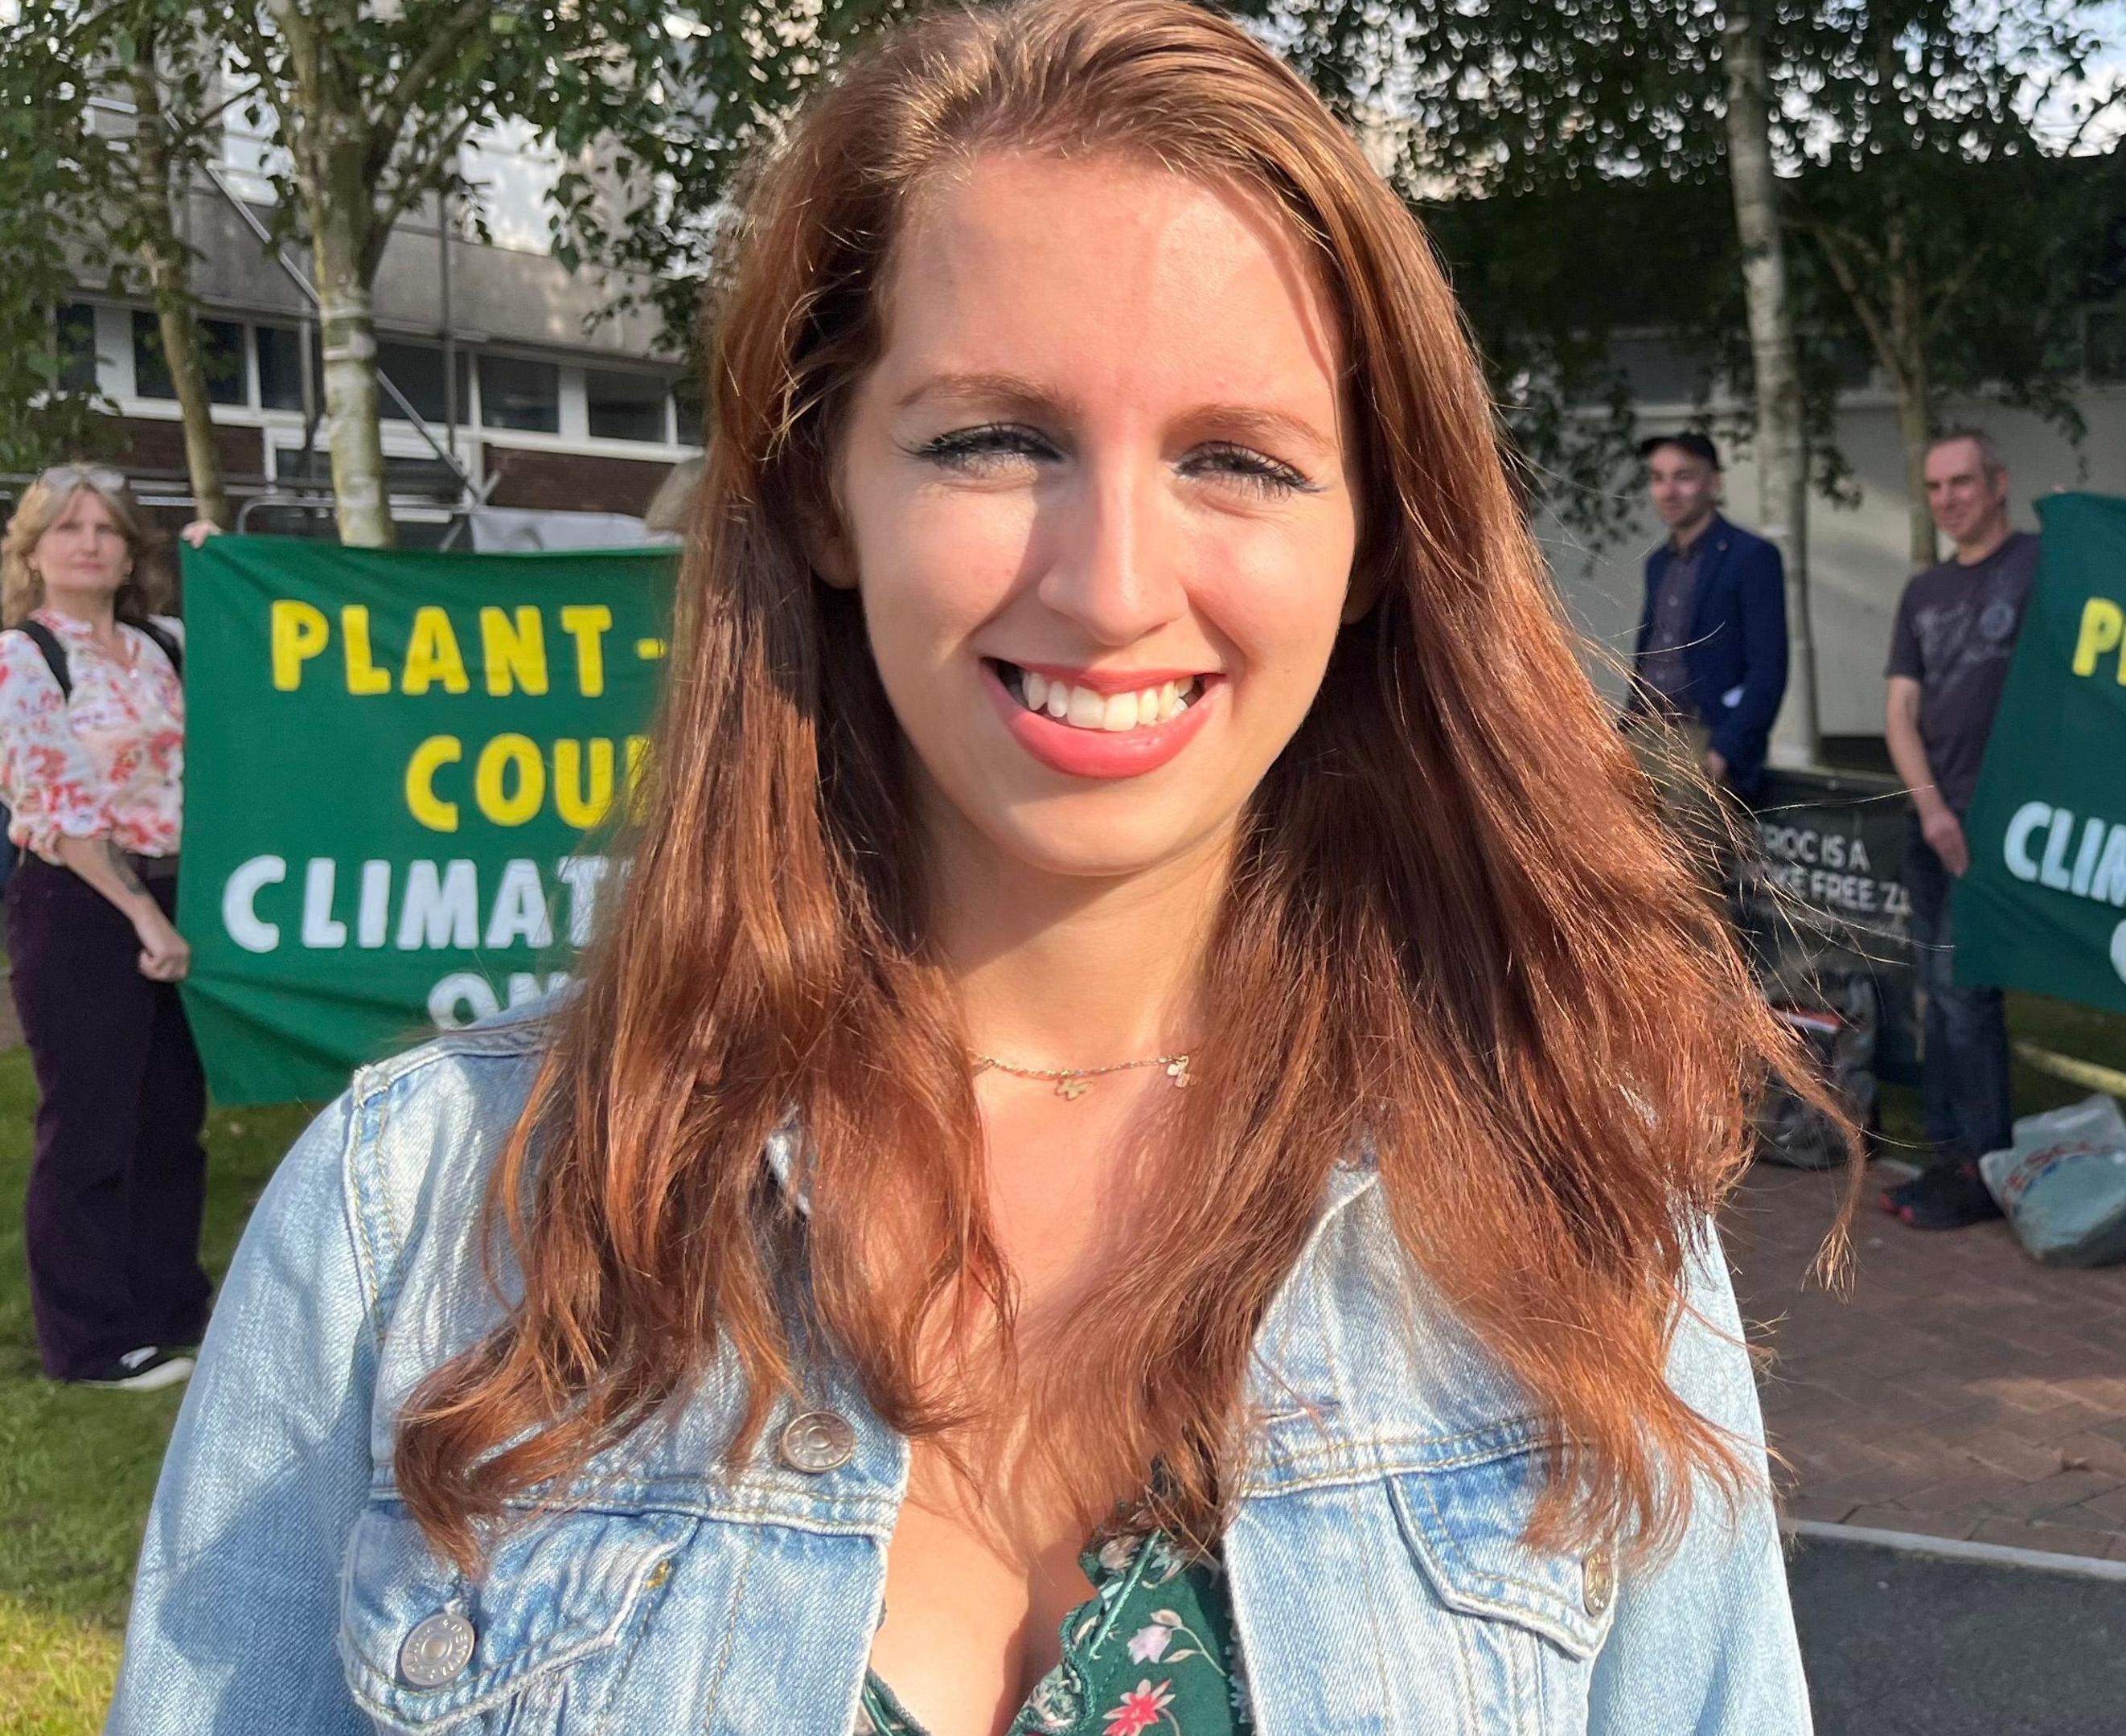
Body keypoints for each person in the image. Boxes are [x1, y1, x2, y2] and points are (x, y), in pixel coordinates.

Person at [107, 5, 1837, 1733]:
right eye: (993, 438)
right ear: (817, 493)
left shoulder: (1573, 1226)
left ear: (1376, 540)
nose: (1109, 584)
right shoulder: (409, 1218)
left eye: (1238, 457)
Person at [1, 465, 209, 1392]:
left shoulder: (163, 643)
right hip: (80, 901)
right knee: (91, 1123)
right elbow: (56, 795)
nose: (88, 542)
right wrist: (138, 914)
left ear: (131, 551)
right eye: (67, 527)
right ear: (33, 549)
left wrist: (228, 565)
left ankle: (171, 1308)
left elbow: (268, 665)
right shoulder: (22, 656)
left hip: (176, 894)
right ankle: (89, 1341)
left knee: (170, 1118)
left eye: (107, 529)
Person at [1877, 429, 2038, 1232]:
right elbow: (1899, 710)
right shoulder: (1923, 593)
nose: (1948, 499)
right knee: (1934, 994)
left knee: (1967, 996)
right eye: (1935, 487)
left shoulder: (2041, 566)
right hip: (1932, 818)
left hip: (1998, 820)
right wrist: (1931, 805)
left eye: (1963, 483)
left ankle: (1984, 1164)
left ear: (1998, 482)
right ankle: (1949, 1156)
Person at [1631, 430, 1787, 810]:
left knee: (1691, 869)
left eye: (1683, 476)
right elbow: (1651, 654)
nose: (1668, 491)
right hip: (1642, 736)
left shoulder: (1751, 557)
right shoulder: (1658, 563)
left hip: (1700, 740)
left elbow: (1769, 670)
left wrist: (1723, 752)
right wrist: (1625, 731)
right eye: (1658, 478)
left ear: (1714, 483)